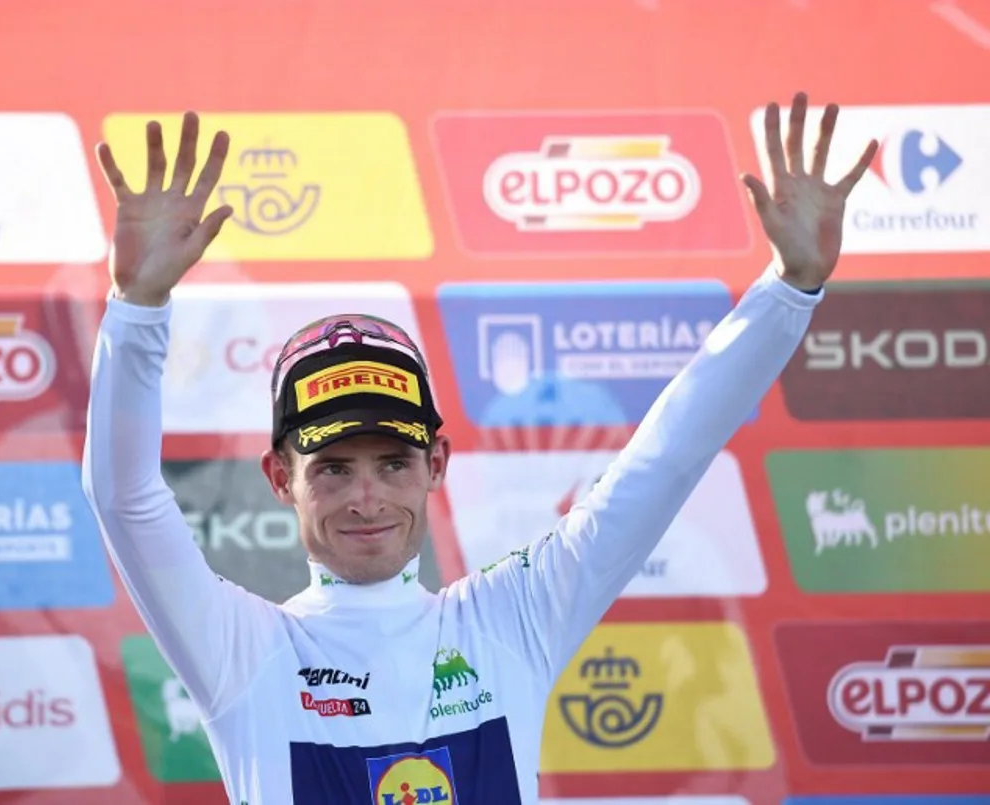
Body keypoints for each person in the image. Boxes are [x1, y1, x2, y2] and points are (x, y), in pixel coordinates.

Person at [82, 93, 877, 804]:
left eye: (393, 462)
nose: (366, 498)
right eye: (332, 467)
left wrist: (787, 290)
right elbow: (124, 499)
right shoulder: (242, 650)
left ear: (437, 465)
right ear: (278, 478)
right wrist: (138, 308)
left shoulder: (509, 619)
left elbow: (663, 461)